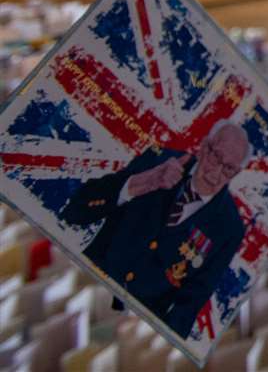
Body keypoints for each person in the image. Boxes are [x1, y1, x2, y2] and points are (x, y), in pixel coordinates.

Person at [61, 122, 251, 340]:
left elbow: (193, 300)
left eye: (228, 169)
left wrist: (164, 345)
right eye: (216, 157)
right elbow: (76, 211)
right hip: (89, 292)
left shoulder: (230, 227)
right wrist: (137, 184)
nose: (215, 174)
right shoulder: (158, 159)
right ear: (204, 146)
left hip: (139, 329)